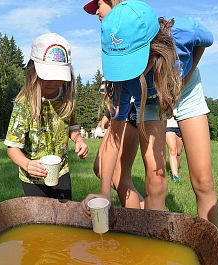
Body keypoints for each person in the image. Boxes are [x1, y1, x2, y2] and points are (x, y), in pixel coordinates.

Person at [82, 0, 182, 216]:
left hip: (163, 88)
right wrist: (104, 193)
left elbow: (204, 41)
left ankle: (151, 227)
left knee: (155, 175)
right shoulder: (125, 81)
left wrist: (185, 79)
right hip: (143, 94)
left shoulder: (181, 38)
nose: (97, 11)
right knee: (106, 169)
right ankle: (139, 218)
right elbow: (113, 138)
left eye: (99, 3)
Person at [4, 33, 89, 200]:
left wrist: (79, 140)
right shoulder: (24, 104)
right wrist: (27, 164)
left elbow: (72, 127)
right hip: (32, 177)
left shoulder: (66, 98)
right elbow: (12, 148)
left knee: (64, 216)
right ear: (32, 71)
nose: (53, 82)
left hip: (61, 171)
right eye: (48, 76)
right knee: (39, 219)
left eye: (59, 77)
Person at [161, 15, 218, 229]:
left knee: (203, 181)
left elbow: (204, 42)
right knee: (155, 177)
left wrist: (186, 75)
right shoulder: (141, 43)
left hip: (187, 89)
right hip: (152, 93)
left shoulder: (185, 29)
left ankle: (216, 252)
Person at [84, 0, 144, 209]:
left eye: (99, 4)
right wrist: (108, 115)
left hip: (133, 109)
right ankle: (143, 213)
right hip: (119, 109)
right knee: (100, 167)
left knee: (120, 177)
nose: (97, 12)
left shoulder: (131, 29)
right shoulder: (112, 38)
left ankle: (141, 222)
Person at [166, 114, 184, 182]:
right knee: (173, 150)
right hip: (168, 125)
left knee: (179, 152)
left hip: (181, 125)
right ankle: (175, 176)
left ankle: (176, 168)